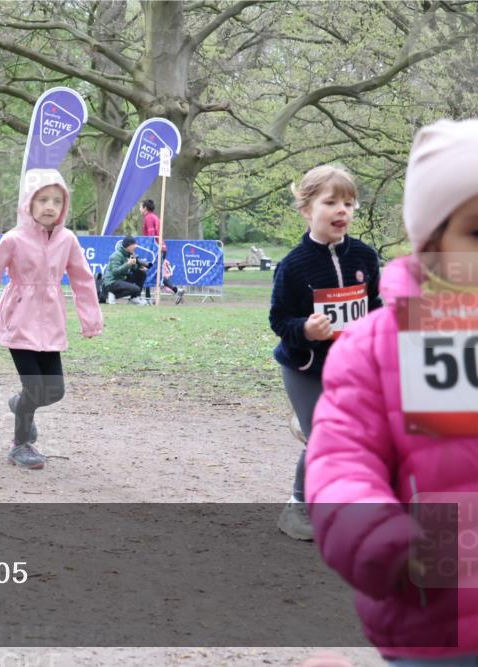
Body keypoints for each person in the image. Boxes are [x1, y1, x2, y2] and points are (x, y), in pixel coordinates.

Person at [307, 119, 478, 665]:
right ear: (432, 244)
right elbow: (342, 463)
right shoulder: (380, 349)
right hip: (442, 620)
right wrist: (383, 539)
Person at [269, 164, 382, 540]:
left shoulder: (364, 257)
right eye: (331, 202)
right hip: (305, 367)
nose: (342, 210)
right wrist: (305, 329)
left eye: (349, 203)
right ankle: (296, 507)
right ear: (306, 209)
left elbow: (373, 306)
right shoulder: (292, 266)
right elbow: (279, 319)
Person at [0, 169, 103, 469]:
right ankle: (20, 445)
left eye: (57, 201)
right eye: (43, 199)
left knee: (54, 391)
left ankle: (19, 405)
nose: (50, 206)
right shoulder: (13, 239)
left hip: (51, 324)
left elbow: (83, 280)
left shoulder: (68, 240)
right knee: (34, 388)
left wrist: (91, 320)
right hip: (18, 322)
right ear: (28, 203)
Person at [139, 199, 186, 304]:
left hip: (156, 249)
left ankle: (149, 298)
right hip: (160, 248)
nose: (139, 209)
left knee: (149, 272)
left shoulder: (149, 218)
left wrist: (150, 250)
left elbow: (152, 236)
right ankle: (176, 291)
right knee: (155, 274)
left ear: (145, 208)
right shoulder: (154, 217)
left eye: (140, 207)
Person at [103, 235, 151, 305]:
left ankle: (134, 298)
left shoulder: (130, 254)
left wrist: (139, 267)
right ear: (128, 245)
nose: (135, 247)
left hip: (122, 279)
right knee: (136, 289)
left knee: (142, 273)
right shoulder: (116, 255)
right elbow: (115, 272)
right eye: (134, 245)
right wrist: (128, 264)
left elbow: (133, 269)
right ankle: (113, 294)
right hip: (112, 282)